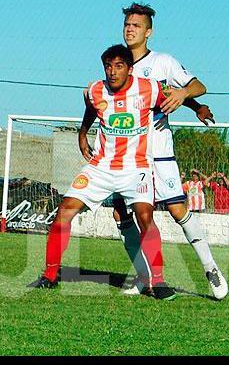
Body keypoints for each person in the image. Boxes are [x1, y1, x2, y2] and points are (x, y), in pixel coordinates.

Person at [29, 44, 176, 300]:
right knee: (65, 210)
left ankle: (159, 282)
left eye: (119, 66)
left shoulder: (149, 88)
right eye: (108, 66)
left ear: (130, 69)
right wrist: (83, 132)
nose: (112, 72)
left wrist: (196, 106)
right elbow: (91, 109)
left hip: (136, 166)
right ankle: (50, 275)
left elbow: (174, 97)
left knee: (144, 216)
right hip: (102, 166)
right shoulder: (96, 90)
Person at [115, 3, 228, 300]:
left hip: (159, 152)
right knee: (125, 214)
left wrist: (190, 101)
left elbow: (196, 85)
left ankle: (210, 267)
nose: (130, 28)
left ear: (149, 32)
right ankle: (143, 275)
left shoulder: (163, 62)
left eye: (136, 25)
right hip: (126, 154)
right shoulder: (117, 63)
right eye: (127, 23)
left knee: (178, 210)